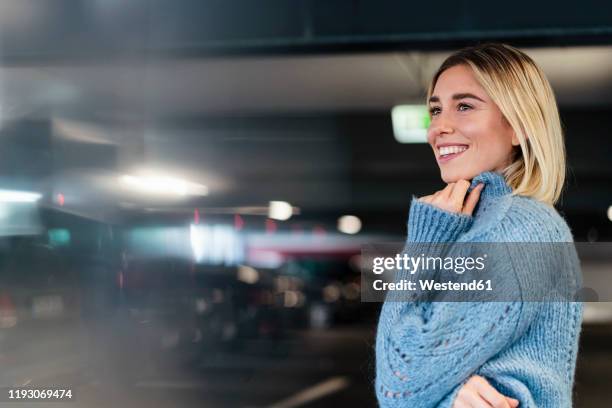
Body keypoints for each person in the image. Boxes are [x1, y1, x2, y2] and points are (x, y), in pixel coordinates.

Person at [375, 43, 583, 407]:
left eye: (465, 106)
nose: (439, 127)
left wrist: (424, 242)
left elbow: (399, 386)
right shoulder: (494, 225)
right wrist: (450, 396)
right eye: (436, 109)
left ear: (519, 126)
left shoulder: (517, 228)